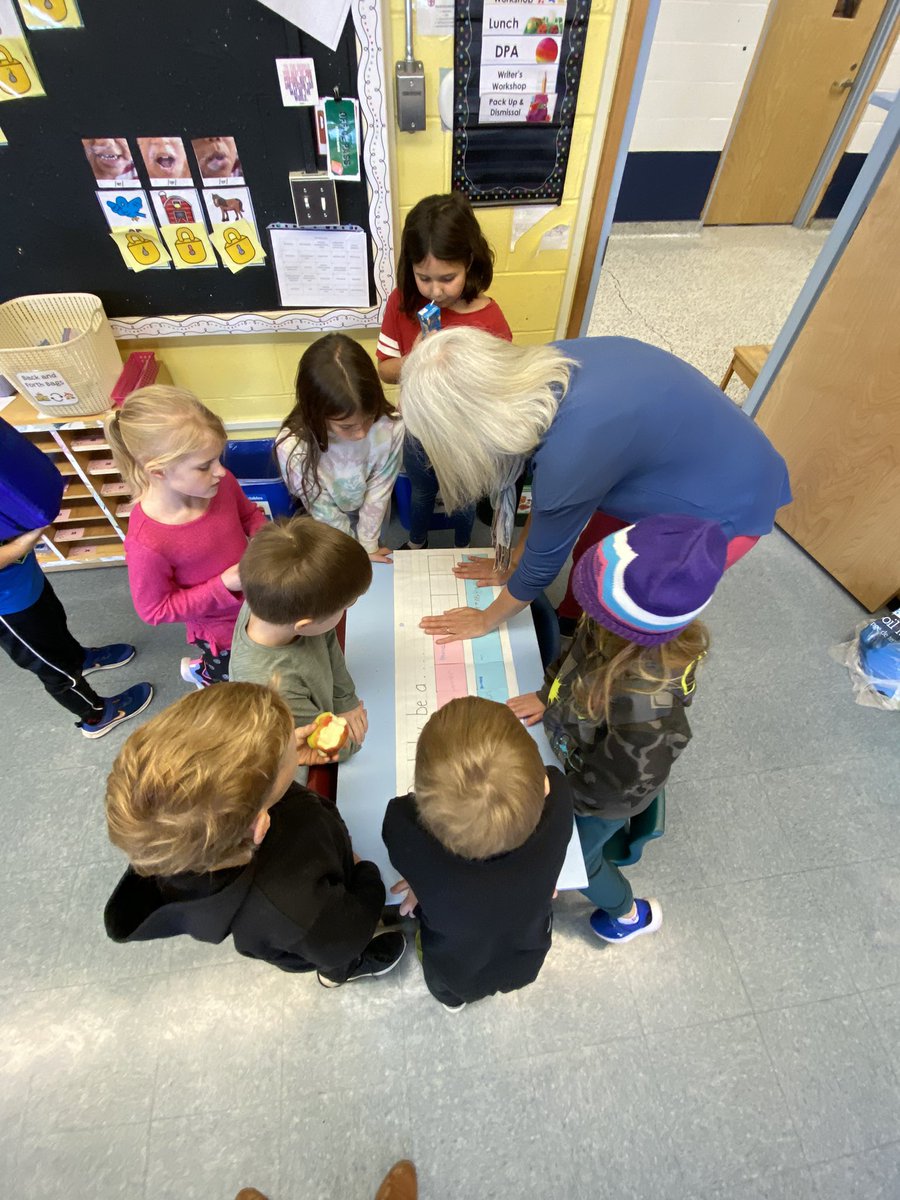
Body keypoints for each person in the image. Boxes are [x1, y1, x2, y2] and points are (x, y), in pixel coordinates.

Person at [399, 329, 792, 644]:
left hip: (727, 500)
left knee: (633, 613)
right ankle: (574, 622)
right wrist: (512, 562)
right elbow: (551, 508)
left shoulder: (572, 449)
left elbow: (544, 559)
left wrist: (486, 619)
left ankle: (597, 651)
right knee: (593, 556)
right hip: (674, 456)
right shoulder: (542, 368)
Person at [509, 515, 727, 943]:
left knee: (579, 862)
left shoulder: (649, 709)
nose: (585, 609)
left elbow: (619, 788)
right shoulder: (612, 624)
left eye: (594, 605)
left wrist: (560, 799)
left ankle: (629, 915)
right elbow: (574, 657)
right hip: (574, 751)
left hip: (596, 798)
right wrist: (546, 692)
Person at [104, 682, 406, 986]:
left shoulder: (205, 823)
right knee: (336, 959)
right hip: (327, 935)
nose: (297, 735)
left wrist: (289, 759)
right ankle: (340, 975)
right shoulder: (296, 911)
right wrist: (367, 874)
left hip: (316, 875)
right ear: (260, 824)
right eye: (290, 740)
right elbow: (342, 940)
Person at [382, 696, 573, 1011]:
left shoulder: (406, 834)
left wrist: (422, 883)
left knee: (448, 990)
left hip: (456, 972)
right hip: (526, 958)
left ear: (424, 813)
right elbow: (554, 780)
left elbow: (399, 814)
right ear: (541, 787)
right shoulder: (560, 803)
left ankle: (453, 1004)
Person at [105, 386, 267, 688]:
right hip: (221, 633)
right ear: (159, 472)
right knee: (238, 685)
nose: (220, 471)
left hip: (259, 604)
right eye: (205, 466)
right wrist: (223, 586)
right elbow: (155, 610)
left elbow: (248, 515)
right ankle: (205, 672)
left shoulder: (219, 483)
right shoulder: (147, 542)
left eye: (219, 459)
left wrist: (265, 540)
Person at [376, 193, 512, 551]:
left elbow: (501, 386)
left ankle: (463, 546)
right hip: (418, 428)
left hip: (467, 433)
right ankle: (417, 542)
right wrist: (416, 356)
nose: (435, 290)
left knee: (464, 498)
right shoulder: (402, 304)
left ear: (469, 261)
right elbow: (385, 371)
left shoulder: (489, 317)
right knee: (422, 492)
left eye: (447, 278)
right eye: (424, 278)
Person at [229, 516, 371, 778]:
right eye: (345, 607)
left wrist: (345, 699)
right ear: (304, 625)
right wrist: (352, 738)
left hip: (323, 704)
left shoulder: (271, 602)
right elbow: (328, 746)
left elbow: (327, 638)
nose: (348, 609)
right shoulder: (276, 689)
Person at [0, 526, 153, 738]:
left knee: (55, 627)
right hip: (7, 609)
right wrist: (19, 546)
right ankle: (96, 715)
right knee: (54, 669)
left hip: (25, 582)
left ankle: (79, 659)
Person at [276, 334, 402, 564]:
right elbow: (323, 508)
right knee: (339, 564)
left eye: (368, 418)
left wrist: (367, 545)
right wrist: (354, 553)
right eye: (347, 426)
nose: (362, 433)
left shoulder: (389, 427)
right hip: (324, 519)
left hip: (371, 510)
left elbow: (380, 489)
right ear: (317, 414)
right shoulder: (292, 447)